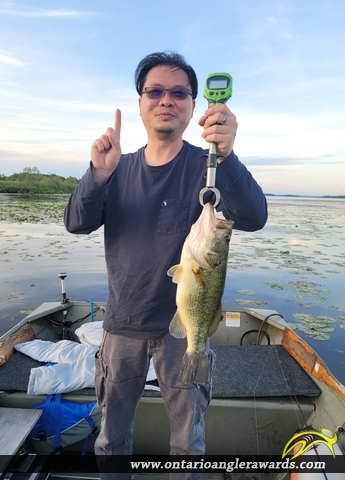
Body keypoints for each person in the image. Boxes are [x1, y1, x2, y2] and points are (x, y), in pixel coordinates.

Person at [64, 51, 267, 479]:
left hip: (182, 334)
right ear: (140, 103)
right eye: (154, 91)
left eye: (178, 93)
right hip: (121, 326)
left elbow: (253, 216)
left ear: (193, 105)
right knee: (112, 436)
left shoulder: (207, 166)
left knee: (186, 441)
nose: (166, 100)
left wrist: (227, 156)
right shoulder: (117, 167)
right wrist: (97, 175)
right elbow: (77, 223)